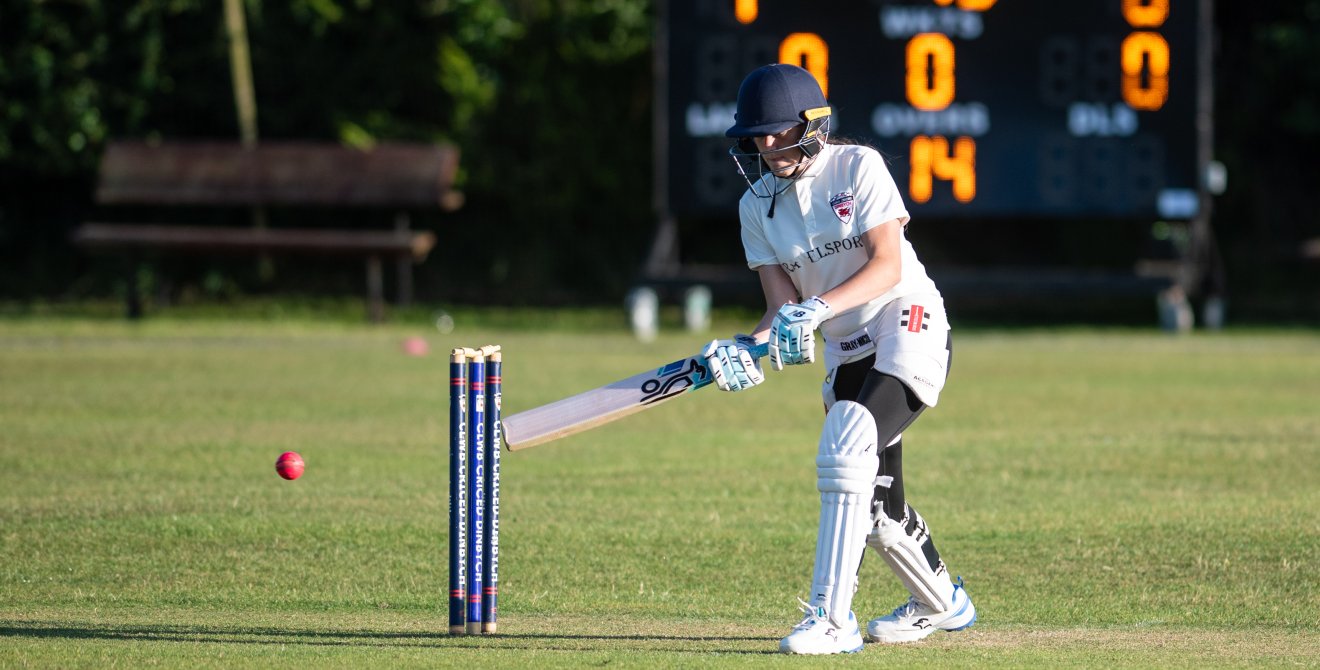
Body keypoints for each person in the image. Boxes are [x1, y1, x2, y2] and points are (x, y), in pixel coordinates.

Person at [700, 63, 977, 655]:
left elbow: (888, 265)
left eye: (777, 132)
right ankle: (942, 603)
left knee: (847, 444)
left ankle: (831, 619)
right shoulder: (757, 207)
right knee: (875, 508)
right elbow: (780, 309)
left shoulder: (857, 167)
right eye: (756, 135)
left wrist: (818, 306)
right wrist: (744, 350)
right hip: (846, 346)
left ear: (812, 125)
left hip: (906, 319)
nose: (766, 146)